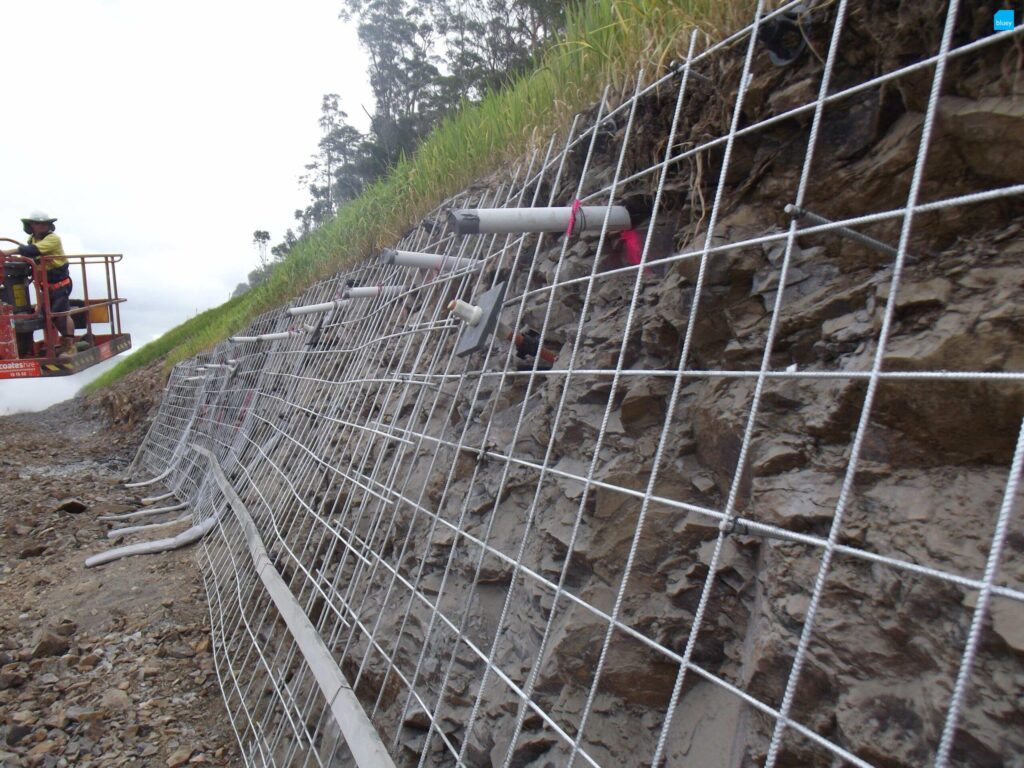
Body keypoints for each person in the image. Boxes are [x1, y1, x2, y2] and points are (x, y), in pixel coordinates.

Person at [0, 211, 76, 357]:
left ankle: (70, 347)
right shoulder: (32, 239)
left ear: (49, 225)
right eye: (37, 223)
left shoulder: (53, 239)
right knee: (44, 314)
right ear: (31, 226)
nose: (41, 226)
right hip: (45, 285)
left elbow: (32, 251)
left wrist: (7, 252)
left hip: (59, 284)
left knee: (59, 314)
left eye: (44, 223)